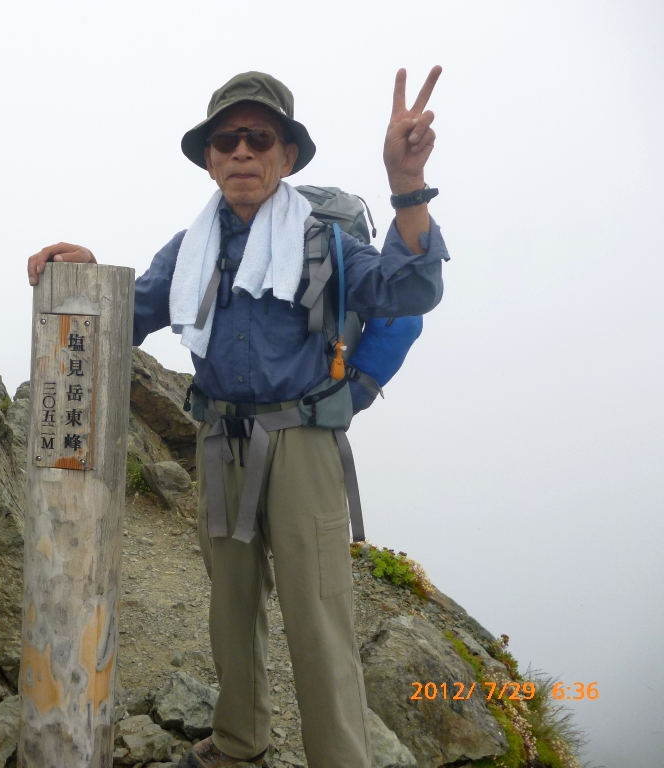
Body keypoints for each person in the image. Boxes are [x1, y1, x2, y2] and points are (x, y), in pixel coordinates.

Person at [27, 69, 448, 768]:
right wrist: (87, 275)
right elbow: (128, 315)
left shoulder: (325, 238)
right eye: (227, 140)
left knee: (318, 616)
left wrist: (406, 186)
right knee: (231, 605)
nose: (243, 152)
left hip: (303, 441)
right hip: (221, 442)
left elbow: (411, 287)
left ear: (286, 156)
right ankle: (238, 742)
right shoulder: (191, 248)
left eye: (260, 138)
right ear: (209, 158)